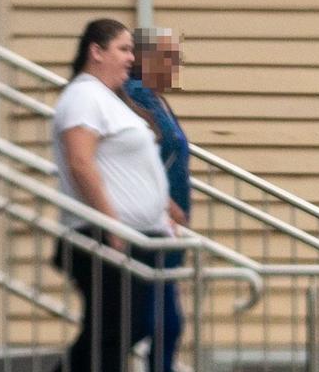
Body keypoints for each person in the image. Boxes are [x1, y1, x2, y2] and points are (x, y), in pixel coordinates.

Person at [52, 18, 174, 372]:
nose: (130, 59)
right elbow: (80, 162)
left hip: (135, 237)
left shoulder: (109, 100)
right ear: (96, 51)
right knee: (118, 330)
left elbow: (131, 163)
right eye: (123, 49)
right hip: (103, 238)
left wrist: (164, 209)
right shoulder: (83, 96)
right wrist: (112, 224)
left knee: (121, 331)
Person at [124, 27, 191, 372]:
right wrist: (165, 203)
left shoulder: (156, 97)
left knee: (165, 324)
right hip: (148, 225)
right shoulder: (135, 94)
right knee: (157, 323)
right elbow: (138, 156)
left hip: (164, 231)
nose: (177, 64)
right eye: (169, 57)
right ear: (145, 59)